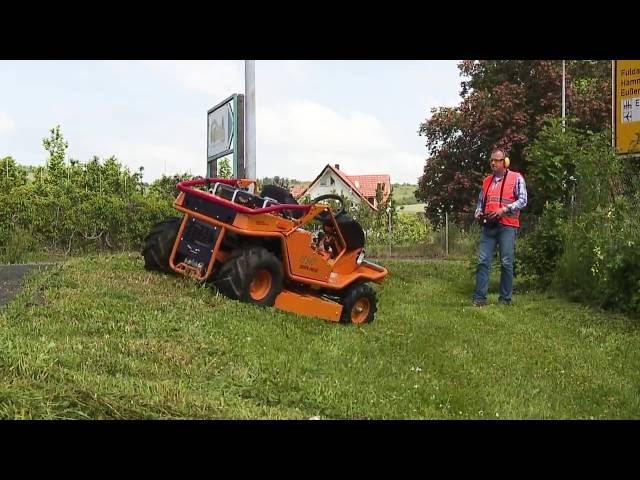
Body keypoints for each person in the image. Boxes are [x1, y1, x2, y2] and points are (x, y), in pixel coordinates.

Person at [472, 148, 527, 306]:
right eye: (491, 160)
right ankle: (480, 298)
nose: (493, 163)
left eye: (496, 160)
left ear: (505, 162)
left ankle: (505, 299)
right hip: (489, 226)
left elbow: (523, 200)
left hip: (507, 226)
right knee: (483, 261)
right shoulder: (487, 181)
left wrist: (504, 209)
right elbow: (480, 202)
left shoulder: (516, 178)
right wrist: (478, 212)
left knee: (506, 262)